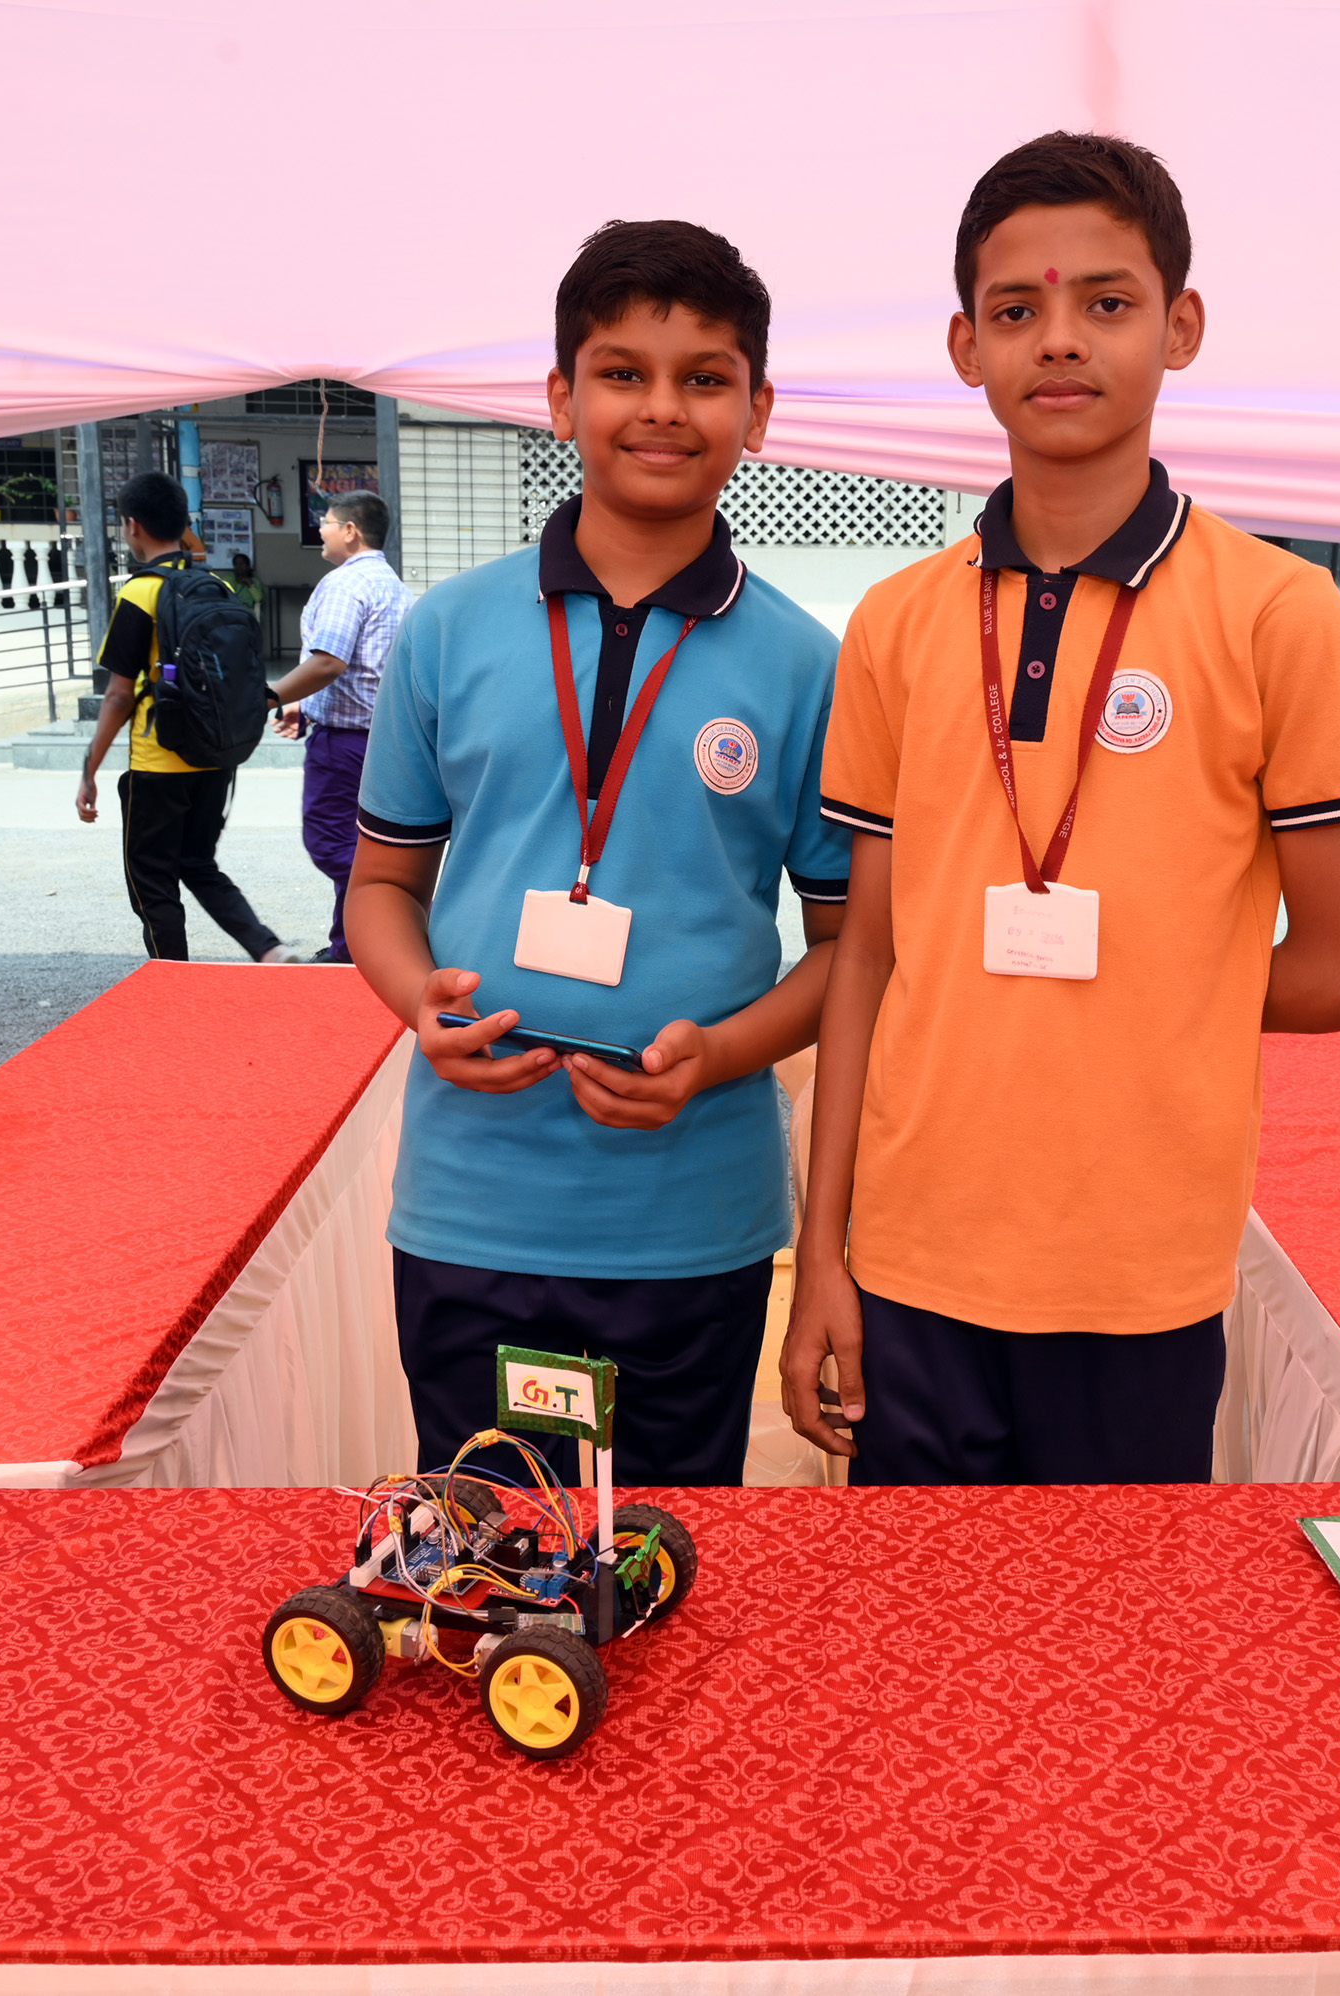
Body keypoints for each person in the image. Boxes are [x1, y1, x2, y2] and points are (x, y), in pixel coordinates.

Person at [780, 131, 1340, 1485]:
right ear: (966, 347)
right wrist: (823, 1253)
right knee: (913, 1609)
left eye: (1105, 303)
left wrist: (1153, 993)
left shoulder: (1278, 613)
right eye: (1017, 311)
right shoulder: (896, 623)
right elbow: (865, 961)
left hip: (1139, 1272)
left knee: (1117, 1612)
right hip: (913, 1260)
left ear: (1180, 327)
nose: (1059, 339)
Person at [346, 220, 850, 1487]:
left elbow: (850, 951)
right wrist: (417, 1001)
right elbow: (382, 887)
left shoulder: (807, 665)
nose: (662, 407)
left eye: (704, 377)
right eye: (623, 373)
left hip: (694, 1217)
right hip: (472, 1206)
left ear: (758, 410)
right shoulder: (449, 630)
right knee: (486, 1542)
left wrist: (718, 1056)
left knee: (666, 1547)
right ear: (562, 398)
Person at [75, 471, 298, 964]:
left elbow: (118, 696)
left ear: (132, 526)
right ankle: (269, 949)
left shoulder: (141, 592)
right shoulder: (216, 586)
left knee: (151, 881)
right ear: (183, 525)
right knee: (198, 863)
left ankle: (170, 982)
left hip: (159, 763)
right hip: (216, 756)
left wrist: (89, 769)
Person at [269, 491, 408, 963]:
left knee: (331, 842)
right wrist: (304, 706)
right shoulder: (393, 585)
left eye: (326, 521)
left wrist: (272, 695)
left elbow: (329, 661)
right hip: (384, 739)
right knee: (364, 841)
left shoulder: (346, 584)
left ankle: (394, 923)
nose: (321, 529)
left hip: (345, 744)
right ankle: (348, 948)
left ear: (350, 530)